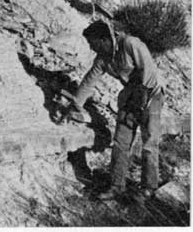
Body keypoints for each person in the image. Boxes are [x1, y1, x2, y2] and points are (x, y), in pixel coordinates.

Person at [70, 20, 164, 201]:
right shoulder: (103, 58)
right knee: (121, 141)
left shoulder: (130, 44)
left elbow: (149, 70)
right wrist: (76, 104)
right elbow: (89, 80)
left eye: (93, 44)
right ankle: (116, 186)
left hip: (151, 92)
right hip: (130, 95)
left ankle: (148, 188)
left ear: (104, 39)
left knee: (149, 142)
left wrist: (141, 101)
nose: (92, 48)